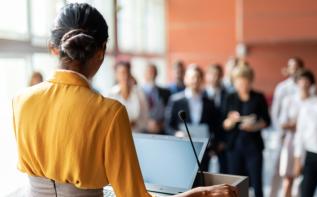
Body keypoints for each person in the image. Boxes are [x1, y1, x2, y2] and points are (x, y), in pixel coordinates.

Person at [11, 3, 238, 197]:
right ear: (101, 52)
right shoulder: (109, 112)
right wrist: (201, 193)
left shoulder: (20, 100)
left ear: (53, 48)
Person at [222, 62, 271, 197]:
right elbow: (224, 124)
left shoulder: (258, 97)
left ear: (250, 81)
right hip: (234, 146)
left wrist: (254, 126)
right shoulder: (229, 97)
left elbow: (266, 121)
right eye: (239, 82)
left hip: (253, 145)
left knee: (256, 181)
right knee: (235, 183)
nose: (242, 85)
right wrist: (231, 121)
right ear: (234, 81)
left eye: (245, 81)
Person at [165, 64, 219, 171]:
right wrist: (177, 133)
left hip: (204, 150)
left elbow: (215, 126)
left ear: (202, 80)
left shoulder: (209, 102)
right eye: (192, 77)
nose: (195, 80)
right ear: (186, 79)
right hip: (183, 149)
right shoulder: (175, 101)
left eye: (198, 77)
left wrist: (212, 145)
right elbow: (168, 126)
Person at [278, 69, 317, 197]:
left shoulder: (316, 101)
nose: (304, 83)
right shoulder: (289, 100)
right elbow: (282, 122)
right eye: (301, 80)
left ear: (311, 83)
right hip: (291, 140)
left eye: (307, 80)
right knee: (288, 177)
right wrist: (297, 125)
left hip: (310, 142)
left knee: (304, 178)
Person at [269, 57, 304, 197]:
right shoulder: (282, 87)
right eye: (291, 66)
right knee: (277, 170)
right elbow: (275, 113)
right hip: (283, 135)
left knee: (297, 171)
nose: (294, 69)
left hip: (300, 135)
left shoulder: (306, 86)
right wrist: (281, 132)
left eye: (296, 66)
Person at [107, 61, 149, 132]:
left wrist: (136, 124)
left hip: (137, 134)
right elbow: (108, 119)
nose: (125, 76)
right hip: (117, 133)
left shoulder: (139, 93)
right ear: (117, 75)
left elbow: (145, 117)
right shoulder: (111, 94)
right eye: (122, 73)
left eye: (127, 72)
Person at [204, 63, 228, 173]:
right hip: (206, 141)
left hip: (223, 141)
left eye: (218, 75)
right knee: (204, 173)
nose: (215, 77)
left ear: (222, 76)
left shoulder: (228, 95)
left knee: (225, 172)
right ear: (207, 76)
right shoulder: (202, 94)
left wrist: (222, 140)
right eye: (212, 74)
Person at [142, 63, 171, 134]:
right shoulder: (138, 92)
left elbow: (169, 111)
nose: (151, 74)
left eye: (153, 72)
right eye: (149, 72)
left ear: (156, 74)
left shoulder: (165, 92)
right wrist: (147, 123)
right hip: (143, 130)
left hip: (160, 130)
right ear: (144, 74)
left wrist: (162, 124)